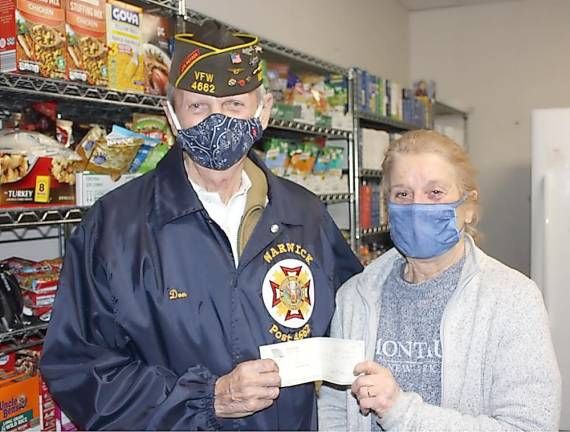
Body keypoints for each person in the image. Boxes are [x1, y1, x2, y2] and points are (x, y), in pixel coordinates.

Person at [40, 21, 362, 431]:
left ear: (263, 112)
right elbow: (79, 369)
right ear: (171, 115)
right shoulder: (114, 226)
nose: (218, 121)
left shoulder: (306, 214)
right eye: (198, 107)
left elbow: (354, 322)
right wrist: (206, 400)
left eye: (234, 105)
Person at [318, 130, 561, 431]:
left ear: (469, 207)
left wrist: (400, 411)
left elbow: (530, 426)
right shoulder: (354, 296)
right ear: (387, 208)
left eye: (435, 193)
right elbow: (334, 409)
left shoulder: (513, 299)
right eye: (403, 194)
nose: (418, 207)